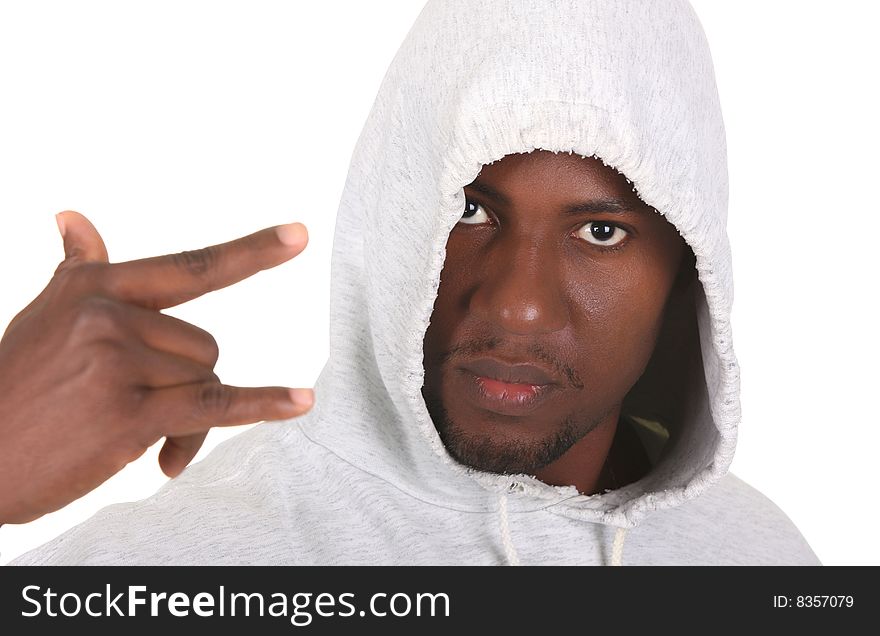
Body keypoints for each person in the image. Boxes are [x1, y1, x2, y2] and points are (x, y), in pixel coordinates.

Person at [3, 0, 819, 565]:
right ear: (390, 213)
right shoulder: (196, 565)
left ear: (690, 271)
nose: (516, 302)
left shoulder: (762, 558)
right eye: (469, 211)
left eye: (599, 232)